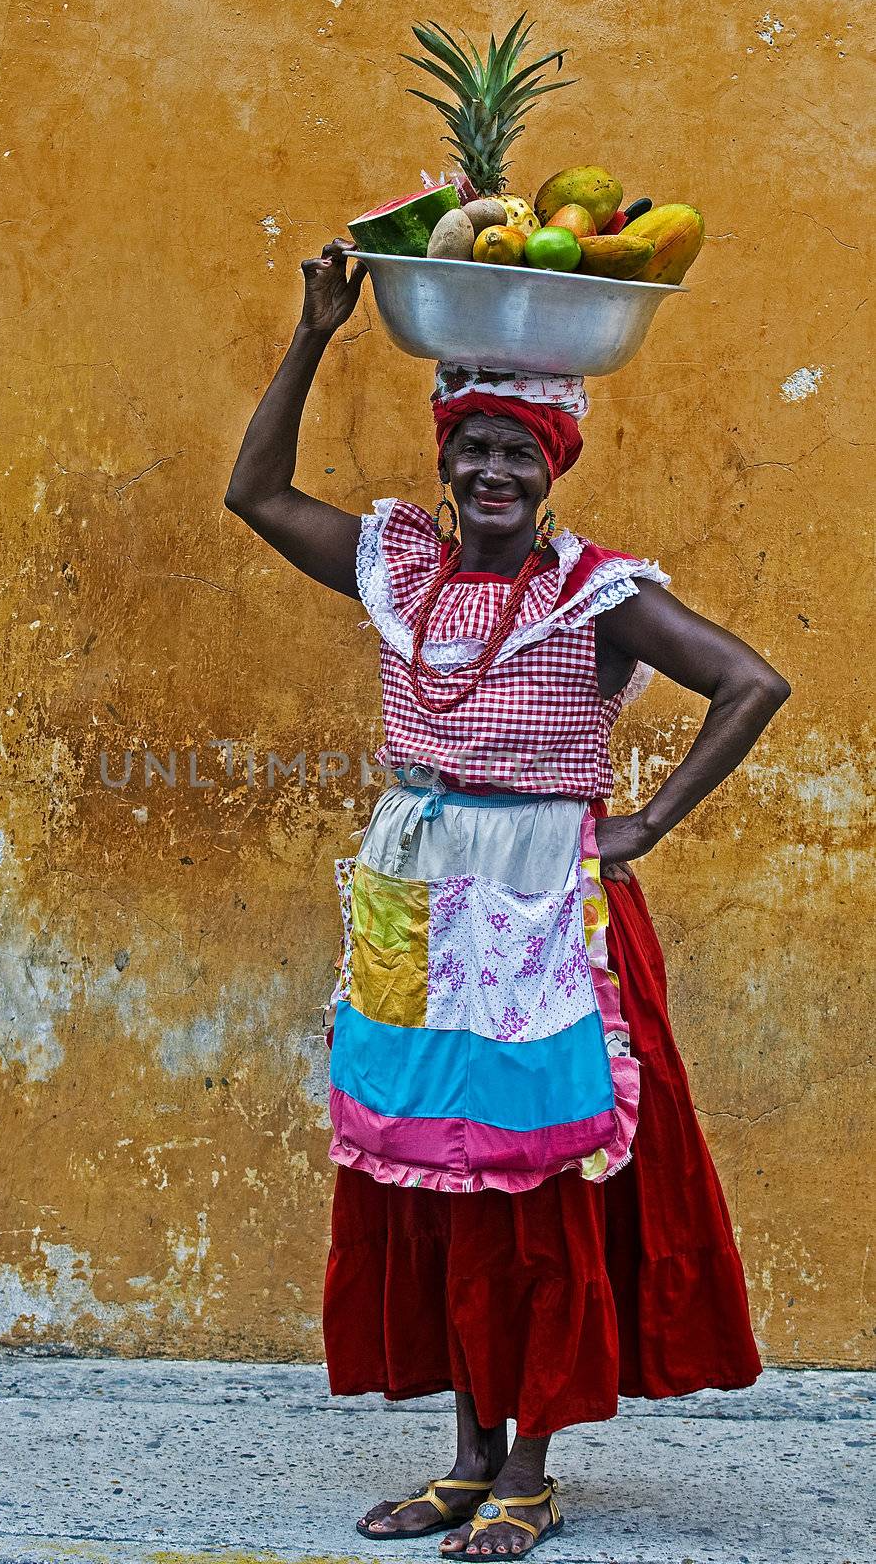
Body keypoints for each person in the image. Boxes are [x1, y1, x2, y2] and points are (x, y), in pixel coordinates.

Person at [223, 240, 789, 1558]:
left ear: (550, 472)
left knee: (536, 1185)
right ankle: (464, 1459)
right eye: (470, 446)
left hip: (545, 904)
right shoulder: (399, 570)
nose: (489, 472)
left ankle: (528, 1464)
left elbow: (749, 681)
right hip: (416, 886)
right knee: (433, 1173)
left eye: (516, 453)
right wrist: (314, 333)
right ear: (443, 459)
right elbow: (253, 492)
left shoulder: (596, 596)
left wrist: (640, 821)